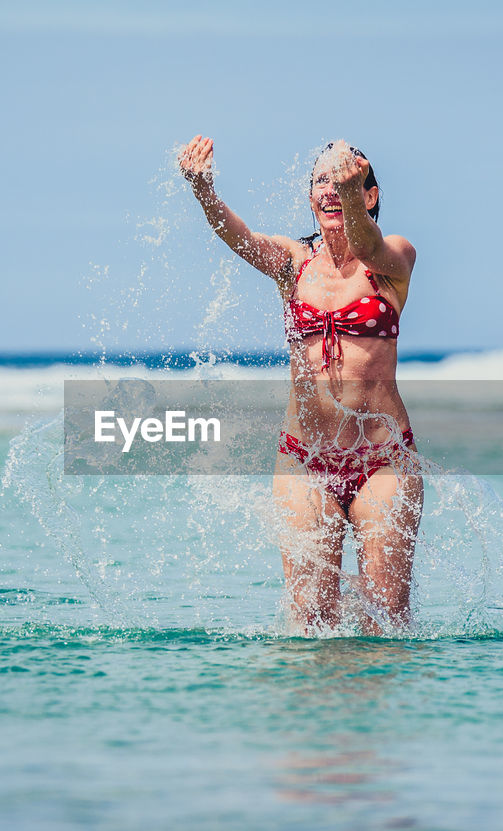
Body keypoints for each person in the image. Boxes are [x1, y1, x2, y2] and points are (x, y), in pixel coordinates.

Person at [178, 136, 422, 635]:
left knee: (387, 620)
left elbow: (368, 243)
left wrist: (349, 197)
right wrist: (203, 189)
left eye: (346, 180)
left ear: (369, 196)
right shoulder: (293, 262)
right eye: (321, 181)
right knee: (311, 621)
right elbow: (238, 237)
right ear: (310, 198)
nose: (332, 189)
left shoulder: (393, 259)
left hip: (383, 463)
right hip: (303, 460)